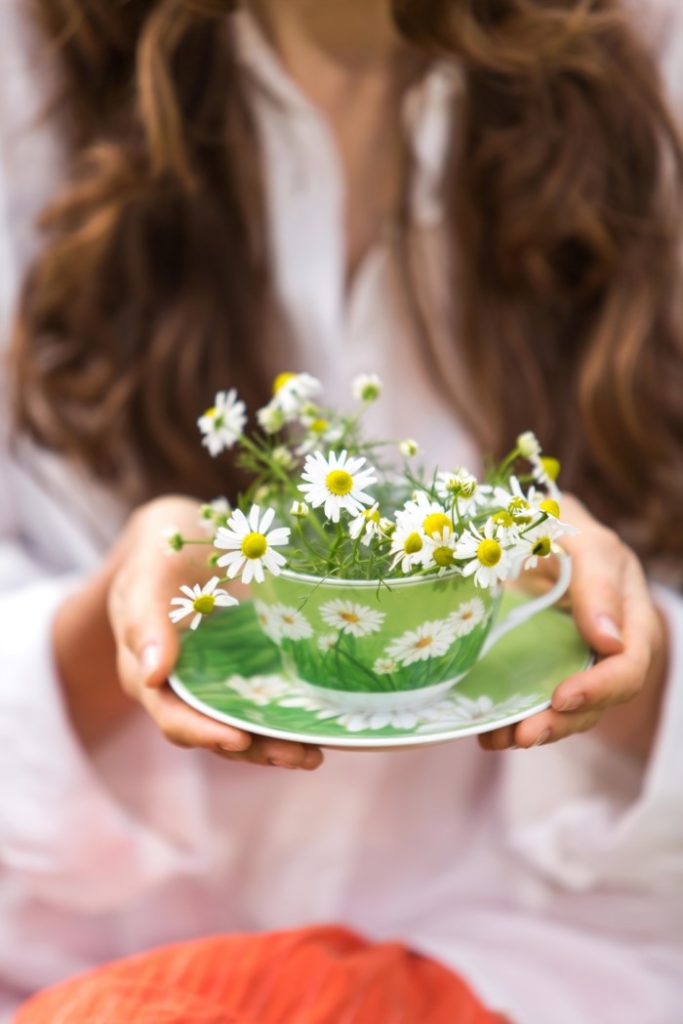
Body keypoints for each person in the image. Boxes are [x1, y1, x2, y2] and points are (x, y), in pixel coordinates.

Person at [1, 0, 682, 1021]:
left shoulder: (651, 47)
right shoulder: (31, 57)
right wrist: (111, 627)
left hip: (539, 963)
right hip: (90, 958)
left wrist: (627, 652)